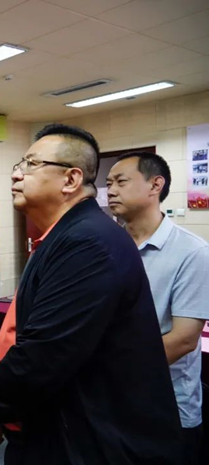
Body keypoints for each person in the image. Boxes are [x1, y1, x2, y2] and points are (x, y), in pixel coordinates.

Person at [0, 124, 184, 464]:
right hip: (60, 424)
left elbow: (44, 353)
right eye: (19, 165)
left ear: (70, 179)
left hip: (93, 439)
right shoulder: (64, 236)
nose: (17, 175)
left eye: (31, 164)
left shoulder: (89, 242)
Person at [107, 152, 209, 465]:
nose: (111, 190)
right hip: (109, 407)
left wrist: (106, 371)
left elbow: (183, 340)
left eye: (121, 182)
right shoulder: (106, 246)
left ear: (155, 185)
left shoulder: (192, 252)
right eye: (108, 183)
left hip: (165, 410)